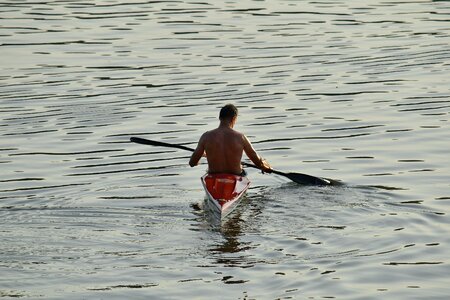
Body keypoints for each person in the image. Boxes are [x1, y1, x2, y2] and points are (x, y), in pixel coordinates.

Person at [189, 104, 272, 175]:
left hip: (213, 176)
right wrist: (266, 165)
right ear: (234, 119)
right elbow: (258, 163)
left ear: (220, 118)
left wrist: (201, 156)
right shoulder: (241, 137)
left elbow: (192, 163)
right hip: (236, 175)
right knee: (243, 170)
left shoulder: (206, 136)